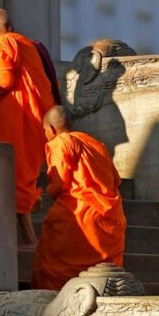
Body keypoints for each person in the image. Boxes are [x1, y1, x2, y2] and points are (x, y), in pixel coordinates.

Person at [0, 8, 56, 246]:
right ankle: (28, 233)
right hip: (36, 117)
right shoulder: (29, 45)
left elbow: (5, 80)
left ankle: (27, 235)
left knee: (14, 172)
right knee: (25, 174)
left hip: (14, 115)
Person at [31, 105, 126, 291]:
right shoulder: (96, 144)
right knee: (102, 274)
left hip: (78, 218)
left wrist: (42, 193)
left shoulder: (61, 142)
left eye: (44, 130)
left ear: (51, 128)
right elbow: (116, 179)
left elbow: (60, 184)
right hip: (109, 218)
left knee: (56, 269)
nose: (45, 134)